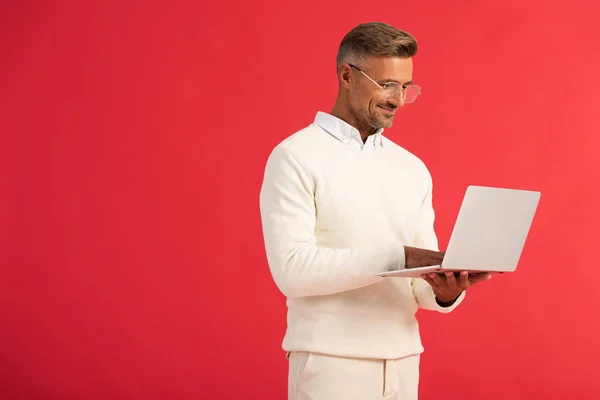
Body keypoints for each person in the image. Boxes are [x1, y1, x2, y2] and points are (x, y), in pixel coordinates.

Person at [258, 21, 491, 400]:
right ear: (347, 75)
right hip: (329, 363)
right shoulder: (295, 157)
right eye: (386, 85)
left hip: (402, 361)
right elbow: (292, 272)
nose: (397, 100)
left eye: (405, 87)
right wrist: (397, 257)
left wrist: (446, 290)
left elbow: (419, 285)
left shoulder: (412, 168)